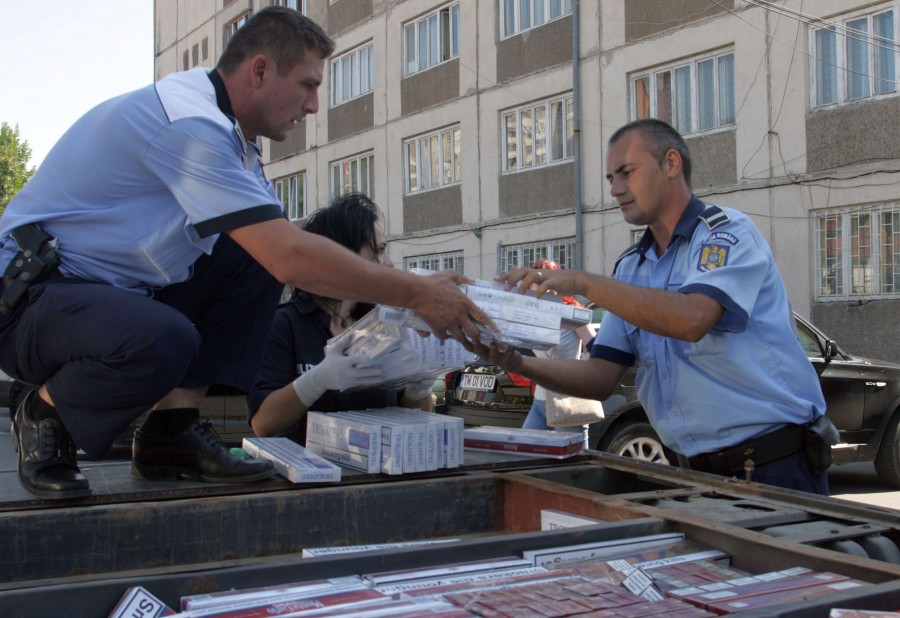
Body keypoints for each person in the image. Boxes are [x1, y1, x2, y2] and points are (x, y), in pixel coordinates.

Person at [0, 6, 489, 500]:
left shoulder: (234, 142)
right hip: (28, 298)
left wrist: (413, 291)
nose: (315, 105)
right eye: (307, 85)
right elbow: (291, 257)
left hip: (100, 300)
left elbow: (276, 249)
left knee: (247, 257)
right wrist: (418, 294)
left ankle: (171, 433)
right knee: (167, 335)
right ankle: (44, 413)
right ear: (259, 70)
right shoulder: (189, 126)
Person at [477, 118, 833, 494]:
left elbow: (693, 318)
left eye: (626, 173)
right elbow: (600, 377)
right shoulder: (632, 267)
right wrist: (515, 362)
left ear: (671, 164)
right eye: (610, 179)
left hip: (771, 467)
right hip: (692, 472)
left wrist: (584, 281)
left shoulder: (727, 235)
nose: (615, 189)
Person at [247, 194, 436, 444]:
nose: (388, 264)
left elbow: (413, 416)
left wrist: (419, 389)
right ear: (341, 257)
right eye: (378, 251)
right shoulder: (285, 324)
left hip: (379, 472)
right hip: (312, 476)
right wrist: (316, 380)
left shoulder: (384, 321)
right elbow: (263, 424)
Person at [521, 258, 595, 432]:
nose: (544, 288)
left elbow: (597, 348)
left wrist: (579, 368)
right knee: (525, 451)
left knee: (570, 458)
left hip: (567, 400)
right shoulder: (531, 316)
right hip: (540, 402)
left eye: (548, 283)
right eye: (537, 283)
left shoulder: (573, 313)